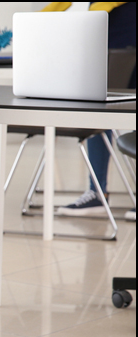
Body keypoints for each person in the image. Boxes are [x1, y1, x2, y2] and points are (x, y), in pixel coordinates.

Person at [48, 2, 136, 220]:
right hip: (112, 34)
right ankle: (97, 192)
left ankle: (97, 192)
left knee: (99, 108)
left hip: (122, 34)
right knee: (99, 109)